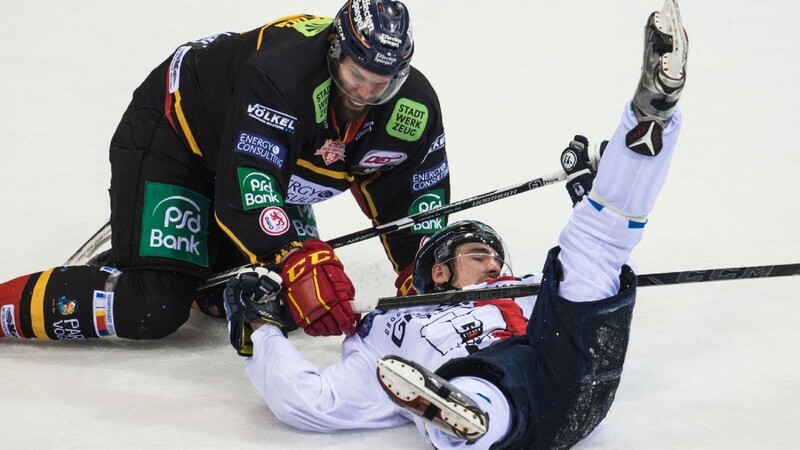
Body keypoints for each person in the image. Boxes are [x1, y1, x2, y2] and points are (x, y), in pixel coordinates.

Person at [221, 0, 687, 447]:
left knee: (591, 246)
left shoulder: (525, 288)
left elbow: (587, 270)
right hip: (518, 408)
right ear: (439, 271)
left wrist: (593, 197)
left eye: (496, 257)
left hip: (576, 365)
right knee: (481, 386)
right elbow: (310, 403)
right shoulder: (382, 335)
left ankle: (653, 111)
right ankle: (472, 413)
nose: (494, 266)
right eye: (478, 255)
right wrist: (260, 328)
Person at [0, 0, 449, 342]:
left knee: (266, 303)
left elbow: (414, 197)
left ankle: (178, 253)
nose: (368, 93)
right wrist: (293, 253)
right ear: (335, 51)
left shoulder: (413, 108)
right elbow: (247, 185)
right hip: (180, 135)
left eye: (383, 81)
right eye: (357, 75)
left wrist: (426, 268)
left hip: (274, 167)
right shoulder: (280, 78)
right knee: (153, 305)